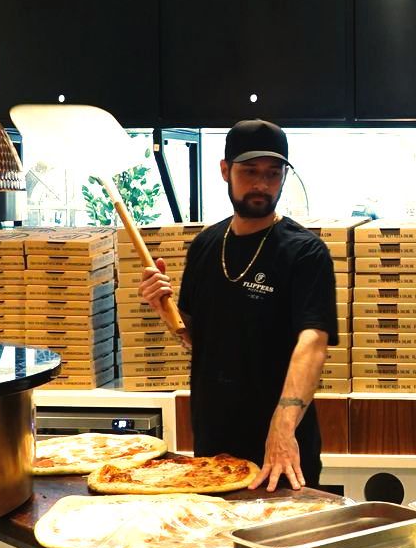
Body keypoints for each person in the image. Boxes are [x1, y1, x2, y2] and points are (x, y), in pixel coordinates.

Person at [140, 119, 336, 490]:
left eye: (273, 173)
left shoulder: (305, 253)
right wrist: (162, 306)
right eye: (249, 171)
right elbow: (197, 338)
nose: (262, 184)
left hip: (282, 447)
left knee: (286, 528)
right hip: (214, 440)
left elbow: (313, 343)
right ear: (225, 170)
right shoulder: (206, 245)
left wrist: (283, 426)